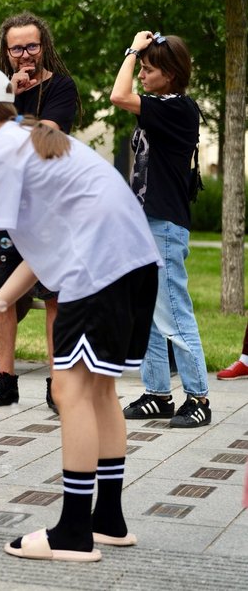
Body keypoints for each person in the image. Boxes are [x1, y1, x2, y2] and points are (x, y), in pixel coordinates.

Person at [0, 65, 160, 561]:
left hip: (98, 269)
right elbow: (38, 254)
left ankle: (72, 532)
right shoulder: (32, 138)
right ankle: (106, 519)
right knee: (99, 389)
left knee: (69, 390)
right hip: (133, 263)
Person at [0, 12, 79, 411]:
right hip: (4, 208)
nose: (24, 55)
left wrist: (11, 107)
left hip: (48, 208)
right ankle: (5, 379)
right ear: (6, 50)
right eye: (16, 48)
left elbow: (42, 138)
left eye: (31, 46)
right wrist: (7, 96)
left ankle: (56, 384)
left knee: (53, 298)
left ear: (44, 45)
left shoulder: (62, 87)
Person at [111, 31, 212, 428]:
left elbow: (117, 95)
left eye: (148, 70)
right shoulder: (160, 105)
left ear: (169, 75)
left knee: (174, 311)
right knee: (149, 313)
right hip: (145, 223)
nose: (140, 75)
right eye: (142, 68)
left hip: (165, 225)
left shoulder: (177, 108)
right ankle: (157, 393)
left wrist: (134, 50)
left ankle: (199, 397)